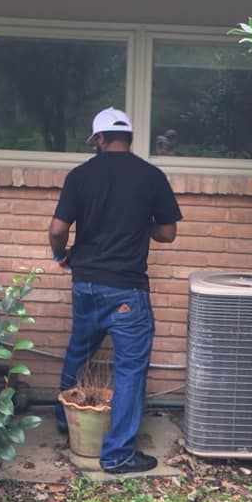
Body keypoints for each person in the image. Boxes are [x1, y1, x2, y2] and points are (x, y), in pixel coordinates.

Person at [49, 107, 182, 474]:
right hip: (127, 289)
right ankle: (117, 454)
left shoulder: (80, 176)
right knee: (129, 371)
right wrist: (143, 226)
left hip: (86, 283)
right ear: (129, 138)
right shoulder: (151, 176)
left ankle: (65, 419)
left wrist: (60, 255)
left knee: (79, 349)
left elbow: (58, 228)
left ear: (99, 139)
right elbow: (168, 232)